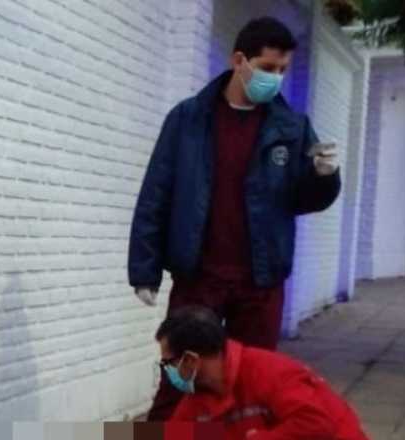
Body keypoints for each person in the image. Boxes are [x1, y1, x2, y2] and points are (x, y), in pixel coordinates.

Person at [128, 17, 341, 420]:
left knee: (252, 387)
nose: (275, 78)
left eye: (282, 70)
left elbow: (303, 199)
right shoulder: (189, 119)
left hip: (260, 282)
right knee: (179, 383)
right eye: (267, 68)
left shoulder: (292, 127)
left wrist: (324, 176)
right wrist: (144, 269)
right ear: (239, 60)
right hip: (199, 276)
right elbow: (157, 192)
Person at [156, 306, 368, 440]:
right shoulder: (200, 396)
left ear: (191, 360)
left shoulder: (270, 372)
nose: (166, 370)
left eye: (168, 362)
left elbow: (317, 424)